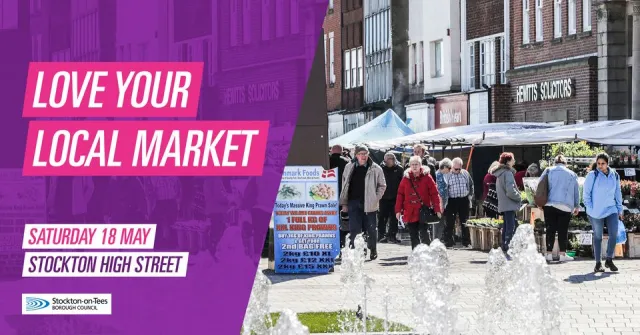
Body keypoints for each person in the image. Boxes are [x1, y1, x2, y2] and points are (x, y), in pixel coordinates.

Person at [340, 145, 386, 260]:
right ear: (356, 155)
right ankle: (360, 251)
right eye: (361, 154)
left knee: (371, 229)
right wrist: (344, 203)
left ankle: (373, 248)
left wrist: (376, 197)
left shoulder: (375, 168)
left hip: (370, 203)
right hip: (353, 202)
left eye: (365, 153)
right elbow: (344, 185)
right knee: (355, 229)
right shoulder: (349, 167)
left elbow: (382, 185)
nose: (364, 156)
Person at [583, 153, 623, 273]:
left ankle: (609, 259)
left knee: (614, 234)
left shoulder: (614, 175)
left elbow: (618, 192)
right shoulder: (592, 175)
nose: (600, 166)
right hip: (596, 211)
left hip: (611, 209)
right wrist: (590, 208)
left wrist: (619, 209)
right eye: (599, 163)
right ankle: (598, 263)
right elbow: (586, 194)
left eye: (603, 164)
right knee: (598, 236)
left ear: (607, 163)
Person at [538, 155, 580, 262]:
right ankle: (562, 255)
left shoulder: (548, 170)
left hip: (549, 204)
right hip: (565, 206)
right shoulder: (572, 174)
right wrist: (576, 205)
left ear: (555, 162)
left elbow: (540, 185)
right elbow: (576, 191)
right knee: (563, 230)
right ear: (565, 163)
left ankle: (548, 254)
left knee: (550, 230)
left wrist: (539, 202)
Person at [395, 156, 442, 249]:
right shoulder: (406, 178)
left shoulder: (427, 177)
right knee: (413, 234)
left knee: (424, 232)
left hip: (422, 210)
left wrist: (437, 209)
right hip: (410, 211)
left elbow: (434, 193)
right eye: (412, 164)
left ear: (420, 165)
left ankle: (427, 252)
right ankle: (416, 253)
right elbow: (400, 195)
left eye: (416, 164)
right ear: (409, 166)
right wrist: (398, 210)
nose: (414, 166)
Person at [492, 153, 522, 253]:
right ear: (508, 161)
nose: (514, 161)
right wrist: (519, 197)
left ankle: (505, 245)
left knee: (506, 225)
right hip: (509, 203)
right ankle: (508, 246)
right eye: (513, 159)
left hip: (504, 203)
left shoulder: (500, 173)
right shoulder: (507, 173)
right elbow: (510, 191)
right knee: (510, 226)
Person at [444, 157, 474, 248]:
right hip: (451, 200)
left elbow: (471, 184)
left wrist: (470, 196)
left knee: (465, 221)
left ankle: (466, 242)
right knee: (450, 222)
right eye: (455, 168)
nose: (457, 170)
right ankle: (449, 242)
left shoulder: (465, 173)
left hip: (463, 199)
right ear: (451, 167)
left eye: (459, 169)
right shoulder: (447, 174)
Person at [378, 152, 403, 244]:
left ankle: (392, 235)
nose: (389, 160)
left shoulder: (399, 169)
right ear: (384, 160)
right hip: (383, 198)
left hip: (395, 197)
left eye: (391, 158)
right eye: (388, 158)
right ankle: (381, 236)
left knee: (394, 218)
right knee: (382, 217)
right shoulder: (380, 169)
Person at [330, 144, 351, 251]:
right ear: (342, 151)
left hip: (329, 195)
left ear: (332, 151)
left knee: (331, 221)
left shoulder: (327, 160)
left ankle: (334, 243)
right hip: (343, 194)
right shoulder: (346, 161)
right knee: (344, 221)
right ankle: (343, 243)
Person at [434, 158, 452, 241]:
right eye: (449, 168)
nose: (450, 170)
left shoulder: (441, 175)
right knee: (438, 222)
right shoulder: (438, 175)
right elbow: (439, 192)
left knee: (440, 222)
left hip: (442, 203)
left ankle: (437, 238)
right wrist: (441, 205)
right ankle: (435, 239)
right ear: (444, 167)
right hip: (439, 203)